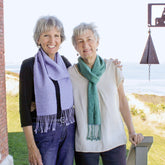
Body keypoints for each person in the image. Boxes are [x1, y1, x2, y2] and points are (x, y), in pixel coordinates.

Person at [68, 23, 144, 165]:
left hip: (114, 139)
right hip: (86, 142)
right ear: (75, 47)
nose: (86, 45)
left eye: (89, 39)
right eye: (80, 41)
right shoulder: (70, 74)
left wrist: (132, 131)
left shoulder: (112, 68)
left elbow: (122, 101)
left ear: (97, 42)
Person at [19, 16, 75, 165]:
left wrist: (109, 66)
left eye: (56, 35)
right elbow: (24, 109)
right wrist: (32, 147)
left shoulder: (65, 63)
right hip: (45, 132)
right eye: (46, 35)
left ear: (61, 39)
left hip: (68, 129)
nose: (52, 40)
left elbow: (84, 79)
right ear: (38, 39)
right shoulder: (29, 66)